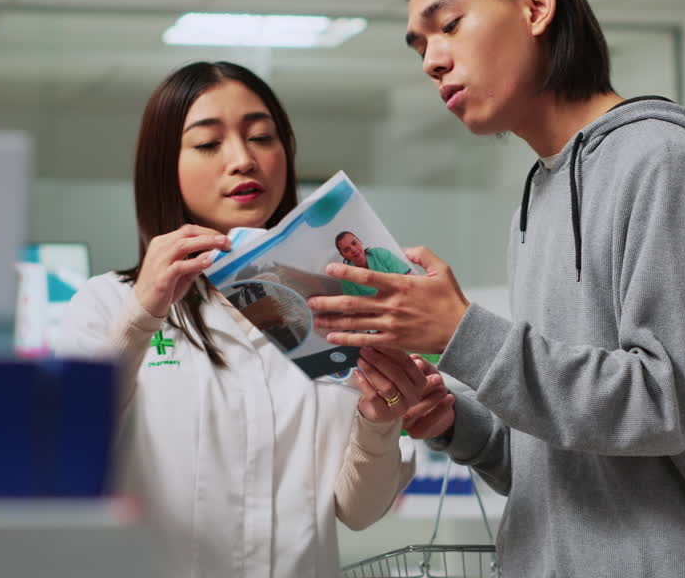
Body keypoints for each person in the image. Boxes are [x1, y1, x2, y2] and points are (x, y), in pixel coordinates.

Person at [308, 0, 685, 577]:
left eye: (449, 25)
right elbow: (563, 463)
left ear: (536, 5)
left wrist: (461, 333)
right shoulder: (538, 198)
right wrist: (454, 421)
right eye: (420, 45)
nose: (432, 60)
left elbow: (660, 404)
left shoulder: (665, 163)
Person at [54, 61, 439, 578]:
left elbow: (358, 511)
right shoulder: (107, 305)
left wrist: (379, 418)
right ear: (164, 165)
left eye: (261, 137)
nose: (242, 160)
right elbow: (68, 444)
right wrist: (146, 309)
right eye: (209, 144)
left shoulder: (337, 307)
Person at [334, 231, 412, 296]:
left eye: (354, 243)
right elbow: (354, 308)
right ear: (343, 255)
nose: (354, 250)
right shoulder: (346, 277)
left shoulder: (380, 254)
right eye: (347, 249)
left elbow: (407, 276)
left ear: (359, 241)